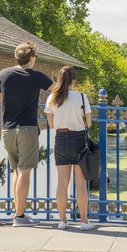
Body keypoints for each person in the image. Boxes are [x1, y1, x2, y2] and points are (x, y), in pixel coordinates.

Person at [0, 41, 53, 227]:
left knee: (16, 171)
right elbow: (57, 89)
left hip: (7, 129)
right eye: (35, 56)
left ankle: (16, 212)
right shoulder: (36, 76)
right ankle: (20, 217)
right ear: (31, 58)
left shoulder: (3, 74)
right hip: (27, 128)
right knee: (25, 172)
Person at [44, 66, 94, 231]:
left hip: (60, 139)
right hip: (78, 139)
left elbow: (51, 124)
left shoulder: (52, 97)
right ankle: (84, 221)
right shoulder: (81, 97)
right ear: (74, 81)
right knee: (80, 184)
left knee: (62, 183)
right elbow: (89, 123)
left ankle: (62, 221)